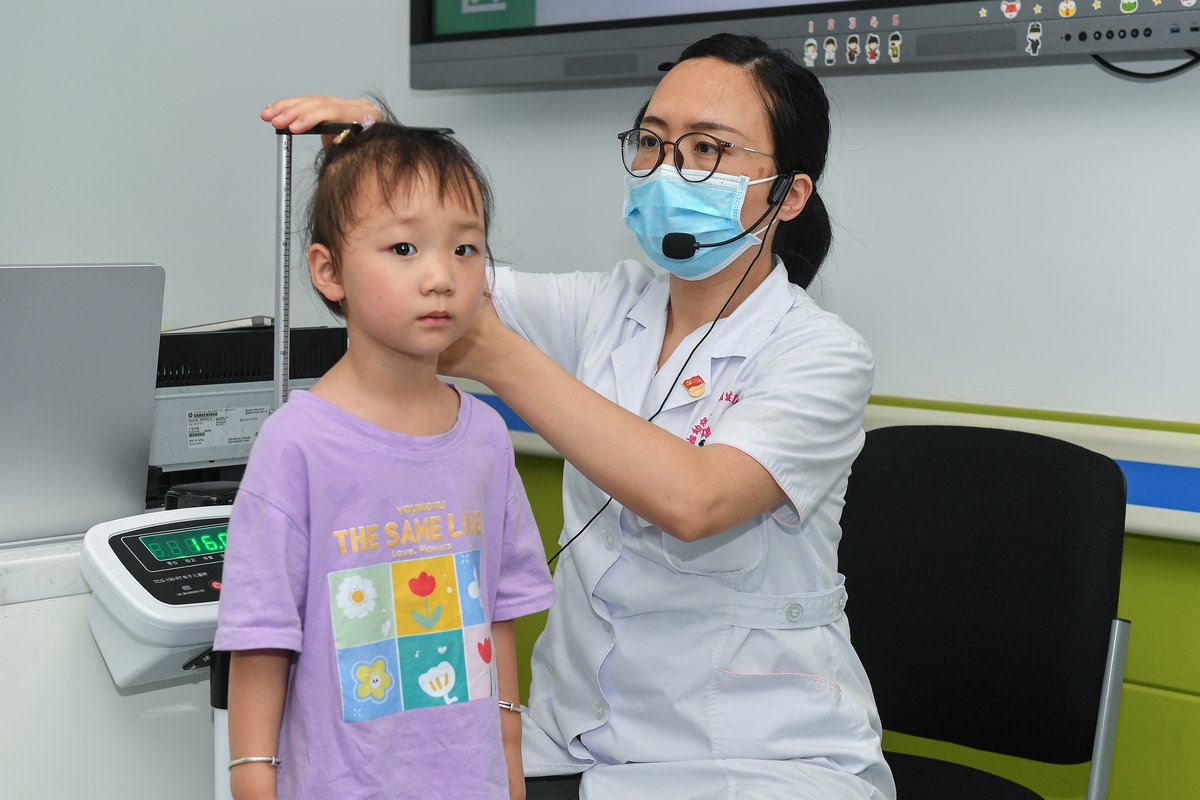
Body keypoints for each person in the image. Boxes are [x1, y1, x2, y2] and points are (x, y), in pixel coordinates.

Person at [262, 32, 896, 800]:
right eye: (653, 143)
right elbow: (416, 268)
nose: (669, 169)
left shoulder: (821, 354)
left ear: (789, 195)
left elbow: (697, 500)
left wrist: (500, 358)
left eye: (706, 149)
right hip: (566, 741)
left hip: (757, 757)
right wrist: (372, 149)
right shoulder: (607, 307)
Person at [213, 119, 555, 800]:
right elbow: (260, 635)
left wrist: (510, 755)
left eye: (465, 248)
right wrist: (254, 781)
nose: (440, 276)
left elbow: (499, 610)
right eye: (404, 247)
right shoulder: (296, 443)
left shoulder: (485, 435)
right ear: (328, 271)